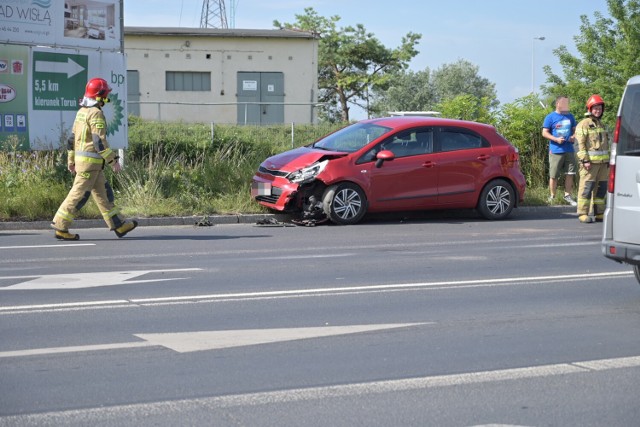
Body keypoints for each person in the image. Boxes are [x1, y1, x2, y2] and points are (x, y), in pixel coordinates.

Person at [51, 77, 137, 240]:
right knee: (78, 195)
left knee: (104, 194)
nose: (106, 99)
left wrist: (71, 160)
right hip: (90, 165)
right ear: (100, 96)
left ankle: (118, 225)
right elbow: (99, 142)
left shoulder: (81, 112)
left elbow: (72, 139)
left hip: (90, 165)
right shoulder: (96, 113)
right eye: (105, 95)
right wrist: (113, 160)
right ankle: (60, 226)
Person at [575, 94, 610, 223]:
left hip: (603, 164)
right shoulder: (583, 124)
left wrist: (608, 161)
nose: (598, 110)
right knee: (586, 188)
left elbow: (606, 145)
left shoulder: (601, 124)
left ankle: (599, 212)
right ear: (590, 109)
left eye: (600, 108)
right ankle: (582, 213)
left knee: (601, 188)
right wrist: (585, 160)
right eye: (595, 108)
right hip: (589, 164)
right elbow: (580, 145)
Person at [542, 96, 577, 206]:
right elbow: (544, 133)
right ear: (558, 104)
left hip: (569, 149)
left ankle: (568, 196)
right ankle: (552, 196)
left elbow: (575, 131)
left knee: (570, 173)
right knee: (554, 175)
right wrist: (556, 139)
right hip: (556, 150)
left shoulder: (570, 116)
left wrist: (573, 137)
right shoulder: (550, 117)